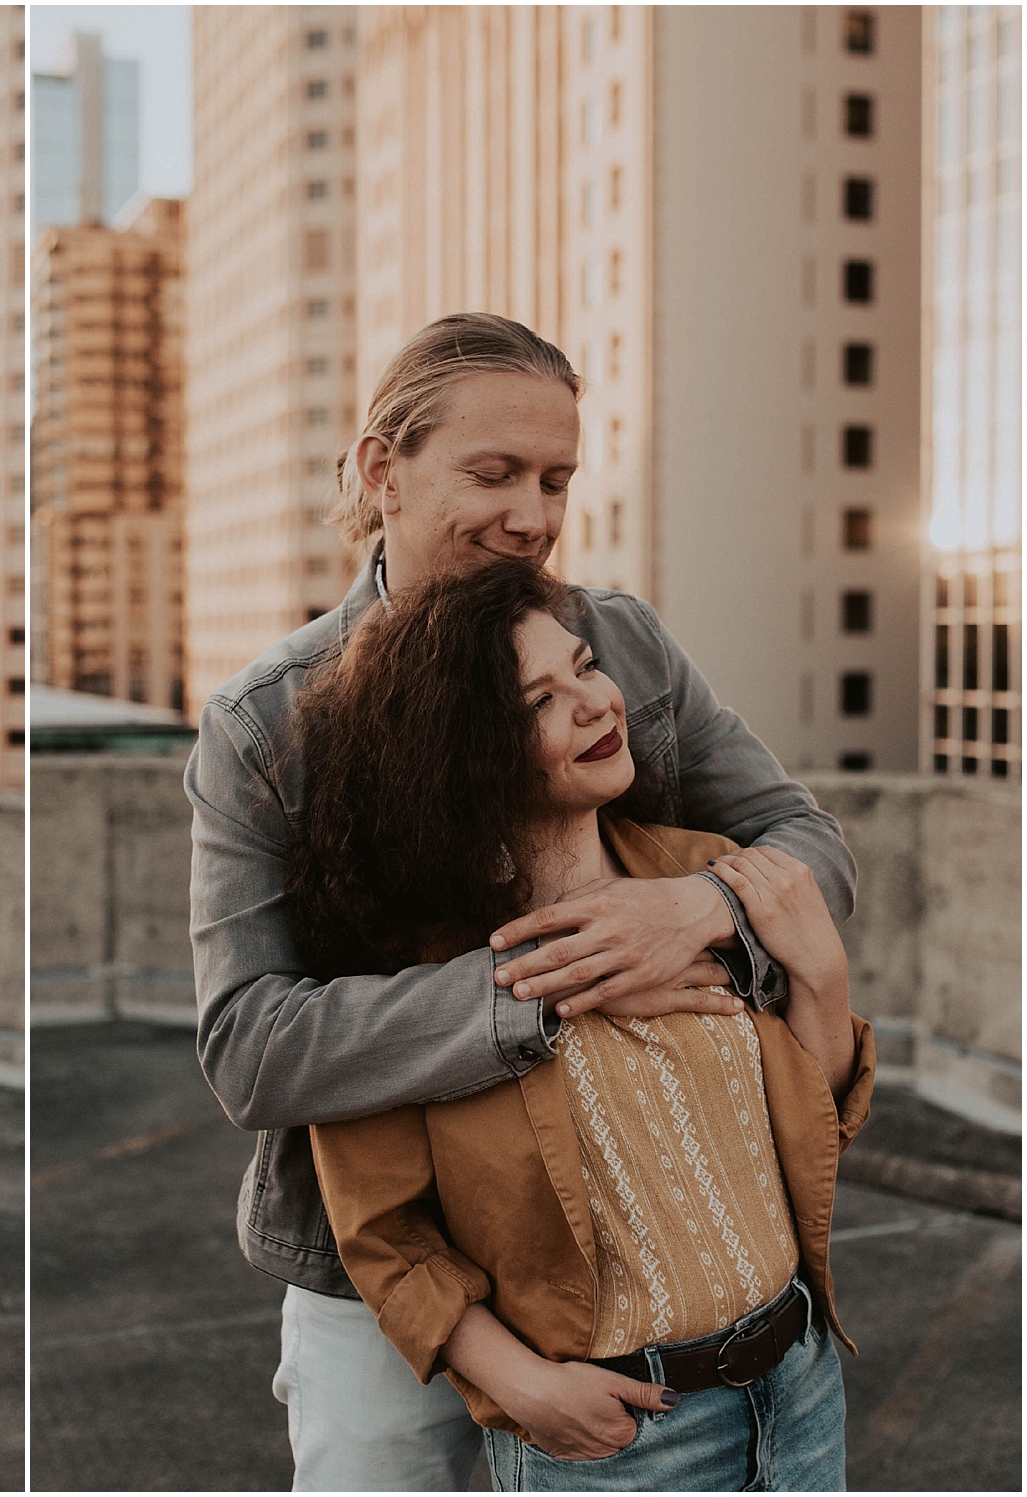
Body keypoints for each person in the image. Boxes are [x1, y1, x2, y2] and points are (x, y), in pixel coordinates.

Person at [185, 314, 858, 1491]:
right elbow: (251, 1050)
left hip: (644, 1266)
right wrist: (554, 989)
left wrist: (689, 909)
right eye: (491, 474)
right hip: (387, 1276)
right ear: (378, 469)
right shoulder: (267, 725)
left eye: (555, 479)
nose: (532, 517)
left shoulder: (622, 647)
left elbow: (809, 852)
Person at [293, 559, 870, 1491]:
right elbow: (385, 1234)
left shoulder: (708, 874)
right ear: (466, 751)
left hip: (801, 1387)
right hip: (622, 1438)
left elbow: (819, 1115)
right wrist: (523, 1386)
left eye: (586, 666)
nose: (598, 703)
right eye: (539, 702)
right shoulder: (413, 973)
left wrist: (822, 968)